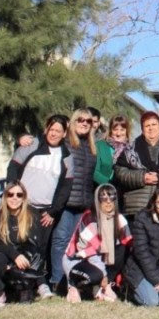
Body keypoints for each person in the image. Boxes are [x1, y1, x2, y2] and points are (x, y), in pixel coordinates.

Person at [6, 114, 73, 299]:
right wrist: (13, 195)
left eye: (58, 131)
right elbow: (12, 167)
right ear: (46, 129)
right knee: (19, 244)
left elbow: (66, 187)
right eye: (51, 129)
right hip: (23, 207)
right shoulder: (31, 145)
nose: (54, 133)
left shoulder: (66, 156)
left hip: (45, 211)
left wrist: (53, 211)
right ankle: (17, 284)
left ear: (64, 133)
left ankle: (39, 283)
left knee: (40, 249)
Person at [50, 108, 98, 294]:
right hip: (66, 202)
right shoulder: (65, 142)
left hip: (83, 203)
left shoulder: (91, 146)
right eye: (80, 120)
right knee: (61, 241)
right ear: (73, 121)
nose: (84, 123)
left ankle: (71, 281)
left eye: (88, 121)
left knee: (77, 245)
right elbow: (46, 138)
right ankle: (56, 280)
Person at [62, 184, 132, 303]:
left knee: (122, 249)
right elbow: (91, 254)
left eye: (112, 198)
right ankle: (74, 284)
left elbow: (127, 246)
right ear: (97, 200)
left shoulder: (120, 220)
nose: (108, 202)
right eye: (104, 199)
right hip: (78, 260)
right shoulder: (89, 219)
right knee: (95, 276)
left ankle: (100, 286)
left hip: (100, 261)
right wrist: (104, 276)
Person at [0, 182, 45, 303]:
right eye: (10, 194)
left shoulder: (32, 216)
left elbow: (36, 242)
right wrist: (15, 256)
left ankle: (28, 289)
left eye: (19, 195)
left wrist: (21, 258)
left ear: (23, 198)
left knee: (35, 255)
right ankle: (0, 292)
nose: (14, 198)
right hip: (9, 258)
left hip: (27, 259)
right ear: (5, 197)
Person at [114, 111, 159, 217]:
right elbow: (120, 172)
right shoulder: (131, 149)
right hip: (137, 206)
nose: (151, 128)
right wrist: (142, 177)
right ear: (142, 130)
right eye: (147, 126)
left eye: (154, 124)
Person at [94, 115, 131, 185]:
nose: (118, 133)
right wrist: (110, 185)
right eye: (115, 129)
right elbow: (94, 172)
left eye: (122, 130)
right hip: (98, 189)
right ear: (110, 130)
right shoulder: (100, 145)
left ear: (127, 131)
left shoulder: (131, 151)